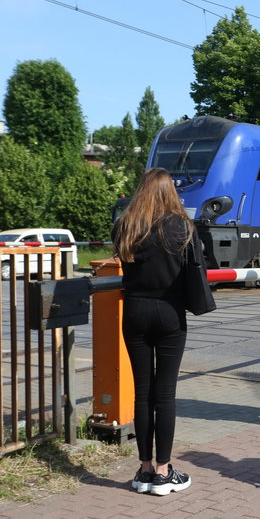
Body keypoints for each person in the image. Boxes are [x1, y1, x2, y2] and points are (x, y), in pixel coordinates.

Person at [112, 168, 196, 496]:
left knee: (142, 392)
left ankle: (144, 468)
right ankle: (164, 472)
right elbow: (194, 268)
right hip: (169, 313)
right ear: (169, 191)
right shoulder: (181, 226)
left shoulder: (127, 224)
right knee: (166, 393)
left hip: (134, 311)